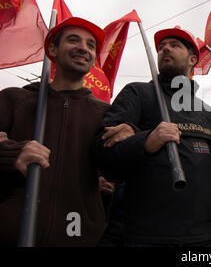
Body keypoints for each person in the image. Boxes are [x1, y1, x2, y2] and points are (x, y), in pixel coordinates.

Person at [0, 17, 133, 246]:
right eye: (74, 40)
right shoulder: (14, 99)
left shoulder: (106, 114)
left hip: (79, 238)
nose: (83, 48)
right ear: (52, 49)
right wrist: (12, 153)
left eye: (91, 46)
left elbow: (120, 167)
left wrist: (131, 136)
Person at [93, 26, 211, 247]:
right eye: (161, 47)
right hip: (149, 235)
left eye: (175, 45)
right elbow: (104, 155)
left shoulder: (207, 111)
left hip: (205, 236)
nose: (165, 49)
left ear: (192, 59)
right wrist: (145, 141)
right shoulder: (138, 93)